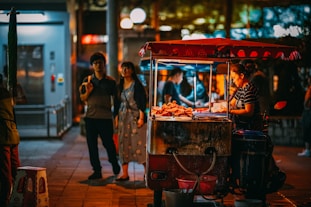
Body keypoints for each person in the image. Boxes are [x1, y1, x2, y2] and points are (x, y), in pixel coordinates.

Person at [79, 52, 120, 180]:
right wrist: (89, 91)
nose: (98, 65)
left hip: (105, 118)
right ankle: (97, 170)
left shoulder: (110, 82)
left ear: (104, 64)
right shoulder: (88, 80)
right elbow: (83, 98)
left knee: (108, 144)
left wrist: (116, 115)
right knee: (92, 146)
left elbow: (117, 100)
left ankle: (114, 163)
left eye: (100, 63)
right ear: (92, 65)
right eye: (95, 63)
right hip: (91, 118)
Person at [114, 61, 147, 181]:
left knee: (139, 144)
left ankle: (146, 172)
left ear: (132, 70)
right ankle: (125, 173)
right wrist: (116, 118)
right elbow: (116, 103)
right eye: (123, 68)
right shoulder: (119, 86)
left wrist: (141, 118)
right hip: (123, 117)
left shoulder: (137, 85)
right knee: (123, 144)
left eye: (127, 68)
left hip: (135, 117)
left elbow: (142, 102)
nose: (124, 70)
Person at [0, 78, 21, 206]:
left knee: (5, 171)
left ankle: (4, 200)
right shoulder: (6, 93)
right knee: (16, 169)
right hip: (13, 134)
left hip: (3, 136)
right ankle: (21, 194)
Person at [229, 63, 263, 131]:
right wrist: (217, 106)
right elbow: (231, 103)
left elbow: (248, 112)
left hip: (249, 129)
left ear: (241, 76)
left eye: (234, 78)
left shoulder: (249, 90)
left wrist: (230, 111)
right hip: (241, 126)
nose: (233, 81)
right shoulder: (241, 88)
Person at [298, 78, 311, 157]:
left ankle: (307, 149)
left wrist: (305, 105)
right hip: (308, 110)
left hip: (308, 110)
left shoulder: (310, 89)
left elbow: (307, 100)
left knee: (306, 129)